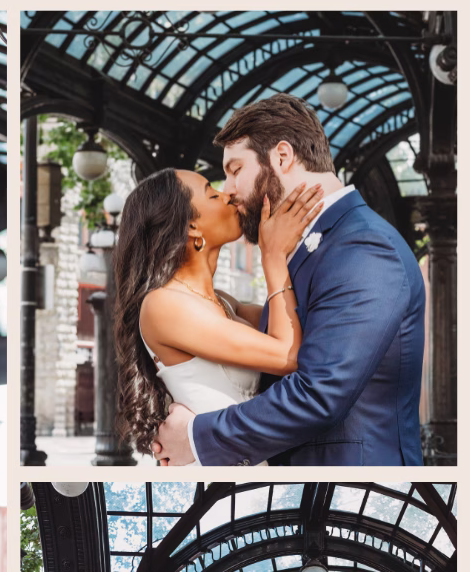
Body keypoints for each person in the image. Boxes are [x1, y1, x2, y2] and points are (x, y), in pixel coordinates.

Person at [152, 93, 426, 466]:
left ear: (282, 157)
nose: (228, 189)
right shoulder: (309, 247)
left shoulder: (364, 247)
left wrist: (196, 436)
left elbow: (319, 395)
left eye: (235, 169)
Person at [115, 166, 323, 459]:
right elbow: (287, 356)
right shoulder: (164, 305)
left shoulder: (224, 302)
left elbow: (301, 321)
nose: (227, 195)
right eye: (212, 194)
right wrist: (273, 256)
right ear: (191, 227)